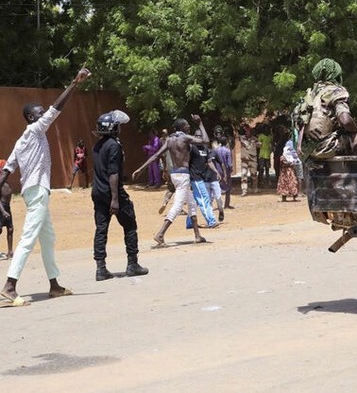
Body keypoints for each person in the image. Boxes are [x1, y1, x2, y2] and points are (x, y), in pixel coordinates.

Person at [0, 67, 90, 306]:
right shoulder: (34, 129)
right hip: (37, 190)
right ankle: (9, 286)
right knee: (28, 238)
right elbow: (56, 110)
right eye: (40, 113)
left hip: (34, 192)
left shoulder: (21, 141)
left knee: (47, 238)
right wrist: (74, 83)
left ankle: (54, 285)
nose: (44, 115)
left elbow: (7, 169)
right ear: (31, 117)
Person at [133, 115, 209, 247]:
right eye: (187, 125)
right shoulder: (185, 138)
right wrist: (200, 123)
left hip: (174, 175)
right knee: (178, 206)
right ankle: (160, 234)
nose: (189, 126)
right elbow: (205, 140)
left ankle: (197, 235)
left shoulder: (169, 140)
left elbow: (156, 155)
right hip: (184, 175)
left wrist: (141, 168)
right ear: (182, 127)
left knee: (191, 202)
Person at [90, 110, 149, 281]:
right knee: (130, 225)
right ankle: (133, 264)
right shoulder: (114, 145)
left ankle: (101, 268)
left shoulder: (97, 145)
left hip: (97, 192)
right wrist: (115, 199)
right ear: (113, 128)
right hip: (112, 193)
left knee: (101, 229)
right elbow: (113, 173)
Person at [298, 58, 357, 160]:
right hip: (328, 147)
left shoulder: (310, 95)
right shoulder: (335, 91)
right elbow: (346, 121)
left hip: (308, 153)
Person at [186, 135, 219, 229]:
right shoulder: (192, 148)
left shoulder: (205, 148)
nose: (199, 137)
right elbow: (186, 162)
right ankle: (211, 221)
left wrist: (216, 171)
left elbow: (209, 162)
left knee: (195, 201)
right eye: (197, 136)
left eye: (200, 136)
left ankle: (190, 222)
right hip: (195, 177)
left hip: (201, 177)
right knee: (204, 198)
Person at [213, 134, 234, 210]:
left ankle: (219, 204)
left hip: (217, 170)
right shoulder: (228, 151)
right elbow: (229, 163)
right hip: (226, 171)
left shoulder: (216, 150)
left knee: (217, 187)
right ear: (226, 142)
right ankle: (227, 204)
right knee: (228, 188)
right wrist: (231, 169)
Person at [239, 126, 258, 196]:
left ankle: (255, 188)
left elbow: (259, 145)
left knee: (254, 174)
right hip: (244, 160)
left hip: (253, 159)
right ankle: (244, 190)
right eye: (246, 131)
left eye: (249, 131)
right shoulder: (242, 138)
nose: (247, 132)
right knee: (244, 174)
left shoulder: (254, 139)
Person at [0, 162, 12, 260]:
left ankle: (10, 252)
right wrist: (3, 212)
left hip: (7, 207)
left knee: (10, 229)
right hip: (1, 208)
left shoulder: (6, 182)